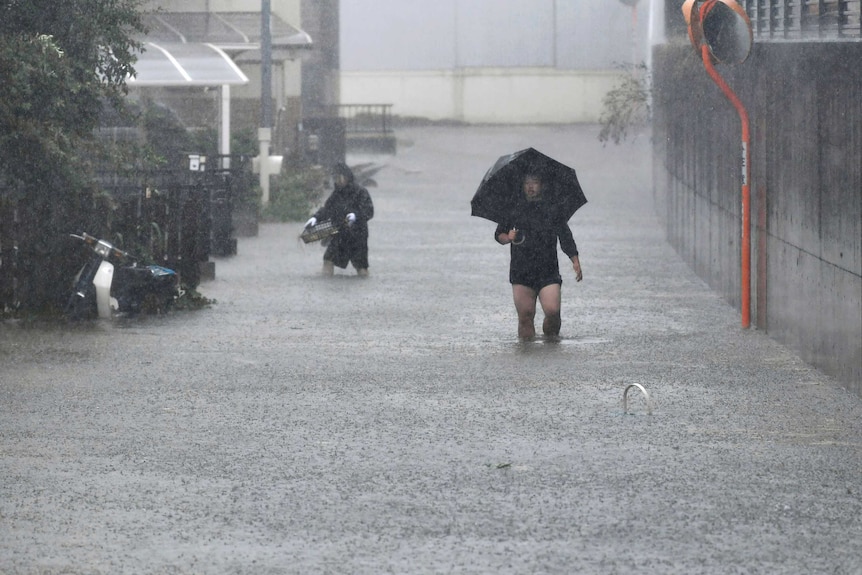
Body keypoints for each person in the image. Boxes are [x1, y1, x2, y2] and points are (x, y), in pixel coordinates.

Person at [495, 173, 582, 340]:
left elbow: (565, 236)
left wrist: (575, 260)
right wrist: (508, 237)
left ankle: (551, 344)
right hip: (521, 271)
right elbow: (499, 235)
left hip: (548, 270)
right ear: (522, 186)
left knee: (552, 311)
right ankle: (527, 357)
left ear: (541, 185)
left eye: (534, 182)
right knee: (525, 317)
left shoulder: (553, 208)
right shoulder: (513, 208)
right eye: (527, 183)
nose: (530, 186)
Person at [305, 163, 374, 276]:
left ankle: (363, 283)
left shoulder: (361, 192)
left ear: (346, 177)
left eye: (338, 177)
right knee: (328, 260)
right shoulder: (337, 194)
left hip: (358, 237)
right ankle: (327, 280)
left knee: (361, 267)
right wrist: (315, 218)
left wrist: (355, 216)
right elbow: (327, 209)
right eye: (335, 178)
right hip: (340, 234)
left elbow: (369, 211)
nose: (336, 180)